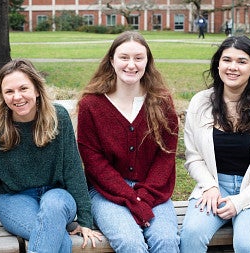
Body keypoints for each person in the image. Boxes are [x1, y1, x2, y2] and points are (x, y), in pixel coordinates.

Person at [179, 35, 250, 253]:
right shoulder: (201, 102)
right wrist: (210, 186)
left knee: (246, 244)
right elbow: (194, 157)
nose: (233, 67)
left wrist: (240, 201)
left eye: (242, 61)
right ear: (218, 64)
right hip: (215, 186)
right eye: (227, 60)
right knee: (191, 236)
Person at [0, 59, 102, 252]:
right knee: (57, 237)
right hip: (13, 200)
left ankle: (57, 221)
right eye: (9, 91)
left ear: (37, 90)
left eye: (23, 88)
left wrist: (85, 220)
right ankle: (59, 224)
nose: (17, 97)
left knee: (53, 207)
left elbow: (73, 170)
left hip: (57, 197)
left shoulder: (59, 118)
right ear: (2, 95)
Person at [76, 31, 180, 252]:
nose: (131, 65)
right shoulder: (91, 105)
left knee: (167, 240)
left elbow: (166, 156)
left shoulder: (161, 101)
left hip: (153, 190)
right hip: (106, 192)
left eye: (138, 58)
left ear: (147, 62)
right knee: (130, 242)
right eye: (124, 57)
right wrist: (131, 198)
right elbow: (93, 161)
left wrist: (144, 196)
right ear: (112, 60)